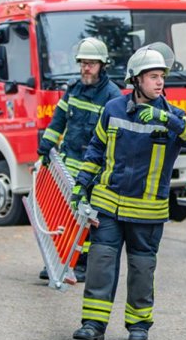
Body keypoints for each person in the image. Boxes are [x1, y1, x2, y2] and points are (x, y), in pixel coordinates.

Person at [70, 44, 186, 340]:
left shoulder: (172, 116)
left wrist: (166, 119)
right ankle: (93, 325)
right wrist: (81, 185)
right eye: (153, 76)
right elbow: (96, 149)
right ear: (136, 79)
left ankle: (139, 324)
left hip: (147, 211)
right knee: (101, 263)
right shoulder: (113, 109)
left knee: (142, 269)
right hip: (107, 204)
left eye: (162, 77)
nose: (160, 82)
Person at [35, 37, 123, 282]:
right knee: (62, 217)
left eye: (91, 64)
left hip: (94, 171)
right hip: (67, 166)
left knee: (85, 219)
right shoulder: (73, 89)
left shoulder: (112, 96)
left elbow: (114, 138)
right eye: (83, 63)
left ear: (102, 65)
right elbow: (58, 121)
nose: (86, 68)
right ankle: (59, 261)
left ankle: (81, 264)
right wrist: (46, 147)